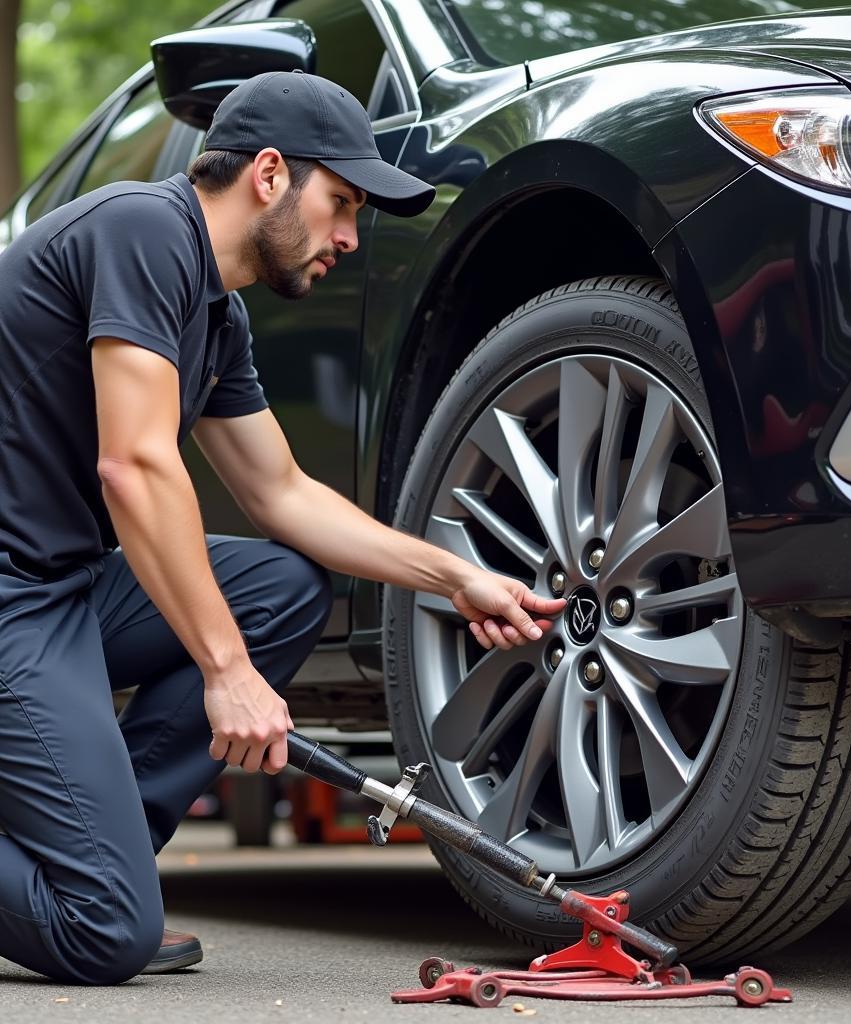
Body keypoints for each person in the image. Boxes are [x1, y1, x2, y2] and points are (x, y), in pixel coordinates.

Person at [0, 70, 565, 986]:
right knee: (103, 933)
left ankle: (97, 860)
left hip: (54, 589)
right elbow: (135, 467)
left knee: (283, 585)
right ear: (269, 175)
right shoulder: (141, 231)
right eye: (339, 203)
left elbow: (282, 495)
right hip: (10, 596)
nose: (348, 235)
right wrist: (226, 673)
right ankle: (94, 893)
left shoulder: (215, 318)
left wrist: (452, 576)